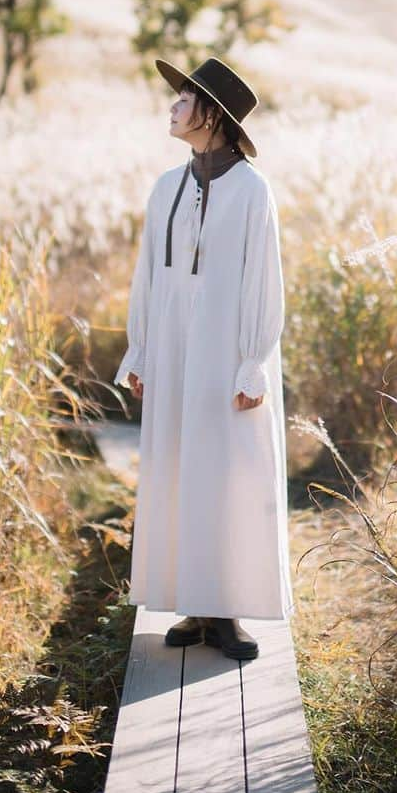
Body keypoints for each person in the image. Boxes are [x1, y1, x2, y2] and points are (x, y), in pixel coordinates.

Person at [113, 55, 294, 661]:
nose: (171, 106)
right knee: (180, 468)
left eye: (182, 99)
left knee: (227, 472)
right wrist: (140, 350)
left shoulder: (251, 191)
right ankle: (193, 603)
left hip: (225, 355)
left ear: (211, 114)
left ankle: (227, 611)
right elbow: (148, 277)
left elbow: (262, 283)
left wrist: (253, 365)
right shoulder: (166, 187)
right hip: (172, 353)